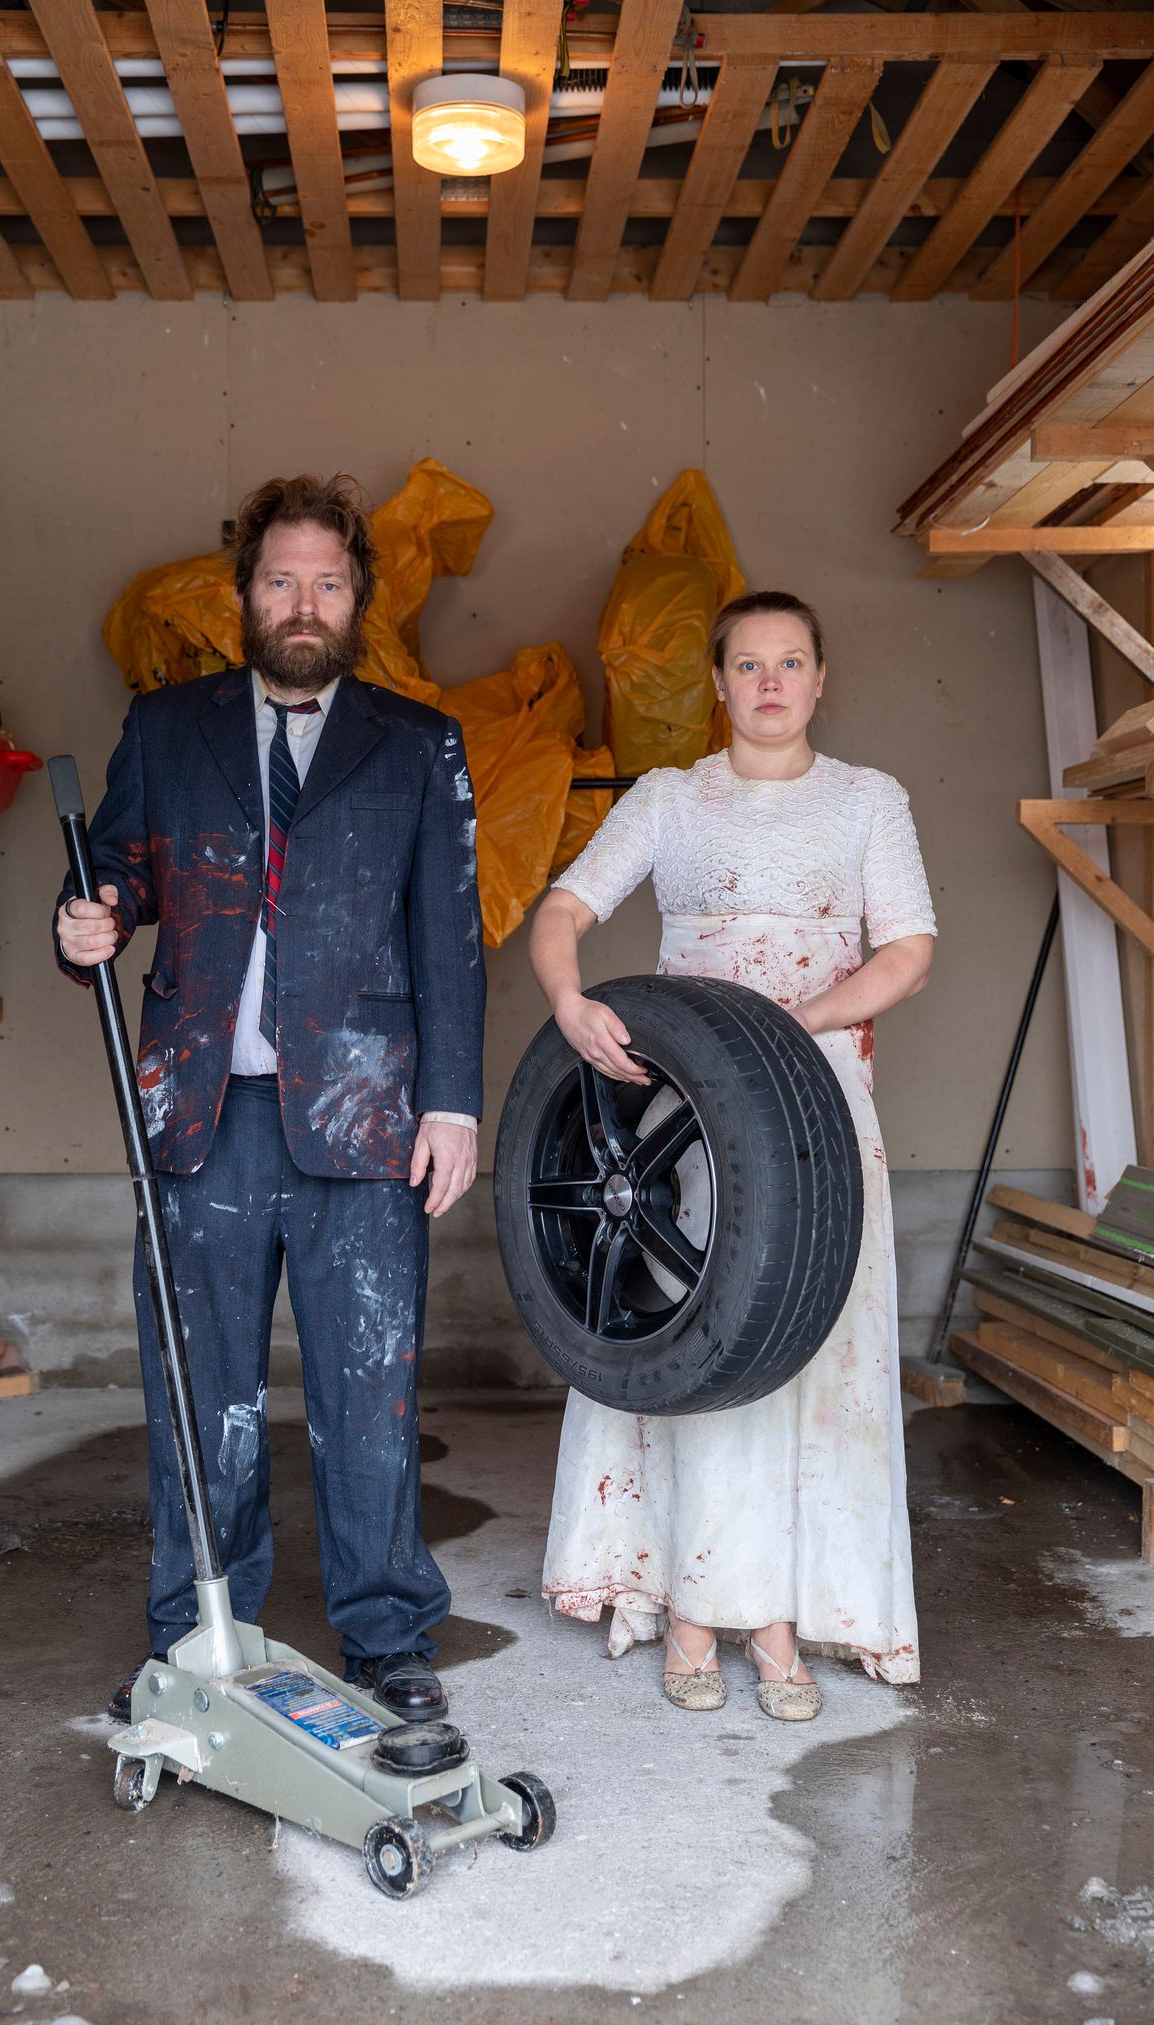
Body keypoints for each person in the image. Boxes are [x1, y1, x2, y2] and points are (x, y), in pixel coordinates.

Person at [53, 473, 485, 1722]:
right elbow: (122, 871)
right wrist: (92, 918)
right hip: (202, 1120)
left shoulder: (416, 743)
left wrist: (450, 1104)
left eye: (329, 581)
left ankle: (391, 1639)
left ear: (360, 599)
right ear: (243, 594)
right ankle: (199, 1632)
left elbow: (450, 938)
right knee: (204, 1397)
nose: (305, 602)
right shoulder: (169, 724)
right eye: (282, 578)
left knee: (369, 1394)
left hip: (365, 1118)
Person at [527, 591, 935, 1720]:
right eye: (747, 664)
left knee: (812, 1349)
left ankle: (788, 1621)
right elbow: (560, 912)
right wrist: (570, 1005)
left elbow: (908, 950)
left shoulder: (866, 801)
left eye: (791, 661)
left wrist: (797, 1024)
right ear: (717, 685)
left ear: (819, 678)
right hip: (690, 1119)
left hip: (821, 1102)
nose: (769, 683)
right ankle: (696, 1611)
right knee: (699, 1345)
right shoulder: (671, 799)